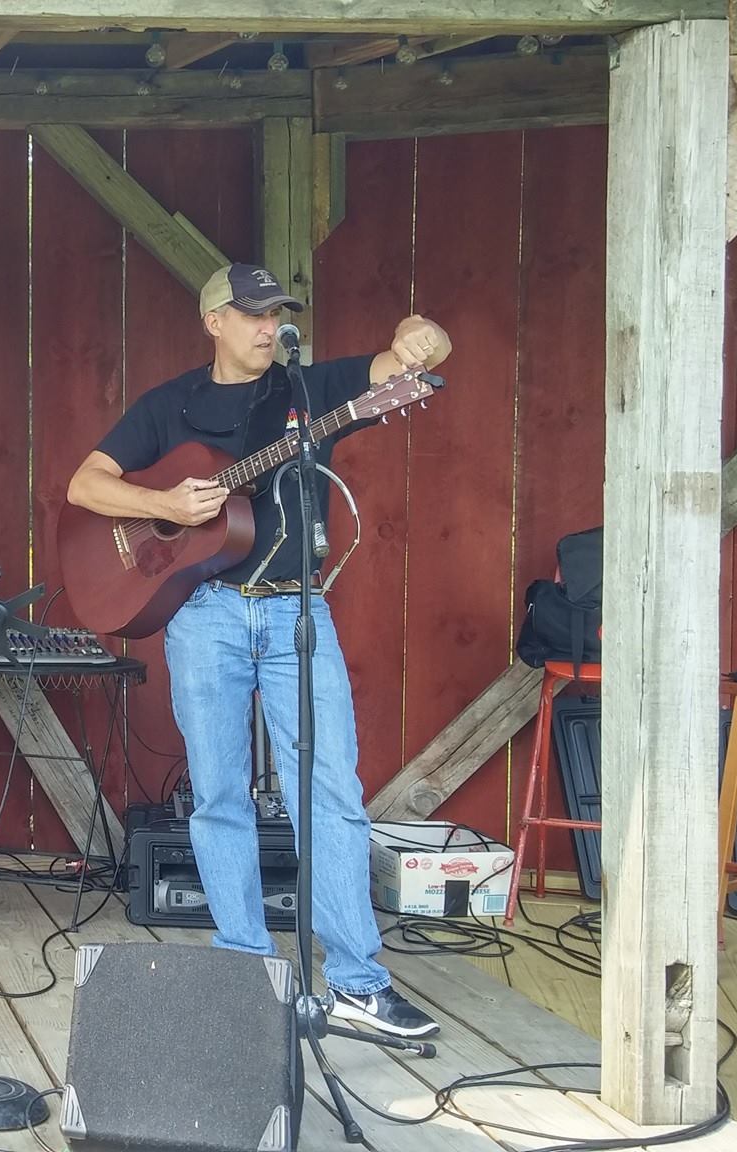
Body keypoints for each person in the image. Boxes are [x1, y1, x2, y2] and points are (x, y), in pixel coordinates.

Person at [65, 262, 450, 1038]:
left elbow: (416, 358)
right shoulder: (169, 404)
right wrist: (163, 504)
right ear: (215, 322)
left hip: (295, 612)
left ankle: (355, 982)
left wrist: (423, 341)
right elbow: (85, 485)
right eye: (252, 315)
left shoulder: (311, 388)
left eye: (277, 314)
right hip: (203, 613)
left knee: (330, 792)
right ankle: (245, 970)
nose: (268, 326)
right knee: (218, 795)